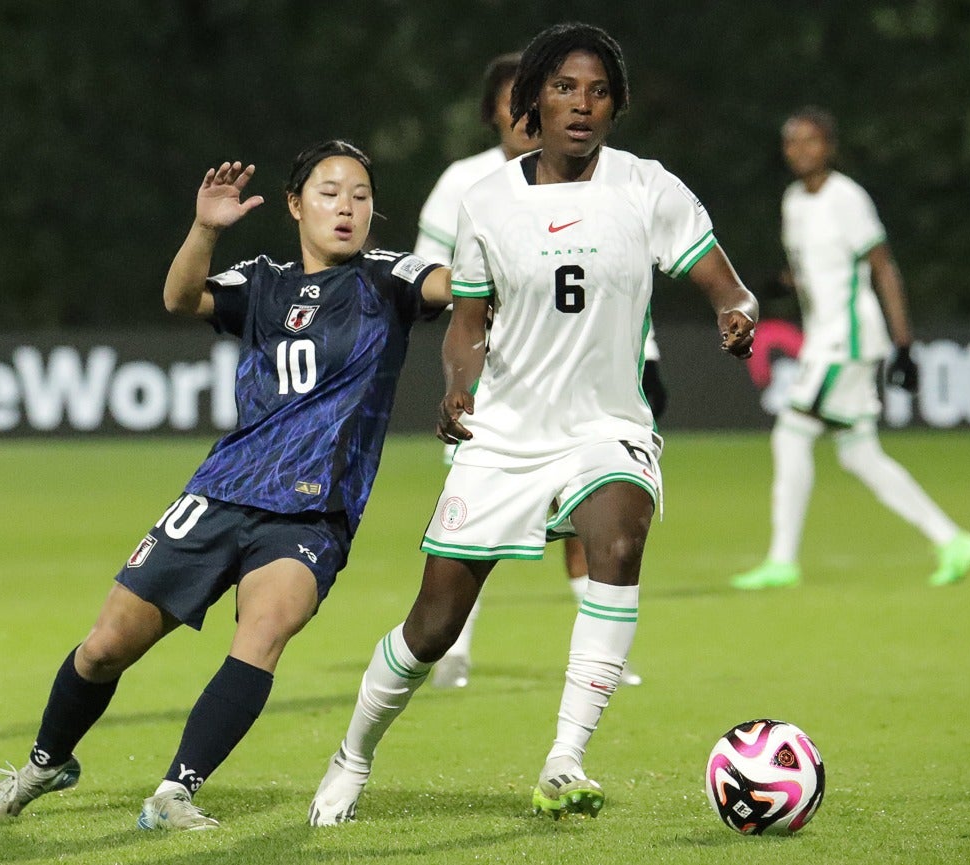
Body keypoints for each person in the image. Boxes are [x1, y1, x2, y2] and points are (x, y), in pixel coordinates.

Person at [308, 22, 758, 826]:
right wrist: (456, 386)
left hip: (606, 426)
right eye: (563, 89)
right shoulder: (487, 203)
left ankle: (564, 758)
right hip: (507, 433)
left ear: (615, 105)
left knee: (618, 538)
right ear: (531, 103)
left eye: (597, 91)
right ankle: (352, 756)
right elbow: (467, 321)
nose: (581, 106)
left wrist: (735, 310)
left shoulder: (648, 187)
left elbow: (727, 284)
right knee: (432, 625)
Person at [0, 141, 452, 831]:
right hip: (222, 490)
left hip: (313, 511)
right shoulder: (263, 280)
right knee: (105, 646)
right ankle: (45, 763)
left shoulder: (387, 279)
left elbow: (447, 283)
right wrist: (206, 228)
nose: (346, 207)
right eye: (328, 191)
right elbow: (179, 297)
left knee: (262, 632)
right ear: (294, 204)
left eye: (361, 195)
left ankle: (175, 791)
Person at [415, 51, 663, 690]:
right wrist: (482, 292)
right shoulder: (467, 184)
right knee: (475, 531)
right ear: (497, 110)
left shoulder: (601, 179)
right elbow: (423, 274)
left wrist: (651, 353)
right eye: (509, 102)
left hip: (583, 392)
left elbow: (616, 280)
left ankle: (601, 652)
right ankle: (454, 654)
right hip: (499, 391)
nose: (522, 113)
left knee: (594, 516)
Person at [729, 107, 970, 592]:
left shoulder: (847, 198)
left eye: (810, 141)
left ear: (829, 147)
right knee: (859, 454)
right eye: (791, 142)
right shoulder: (793, 202)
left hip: (845, 338)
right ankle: (953, 540)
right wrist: (776, 286)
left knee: (791, 433)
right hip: (826, 336)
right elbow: (814, 271)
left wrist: (904, 345)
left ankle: (782, 561)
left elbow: (882, 266)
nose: (800, 150)